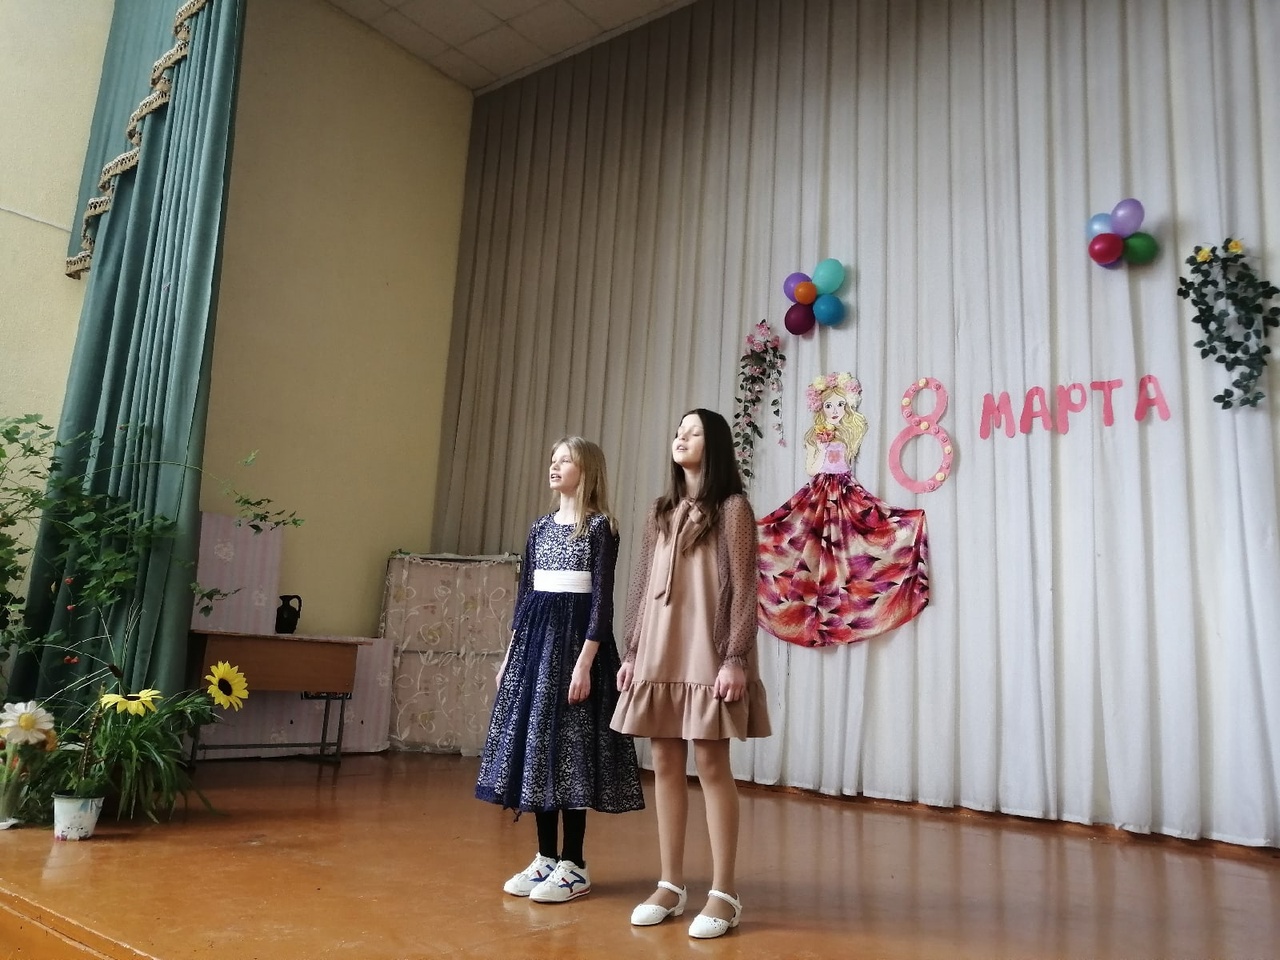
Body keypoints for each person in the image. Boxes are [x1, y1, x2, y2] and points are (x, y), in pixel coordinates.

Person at [611, 408, 771, 939]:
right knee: (663, 759)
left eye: (693, 431)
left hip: (708, 649)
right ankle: (670, 884)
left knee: (711, 761)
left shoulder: (733, 508)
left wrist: (735, 657)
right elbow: (641, 585)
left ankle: (724, 893)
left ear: (715, 444)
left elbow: (745, 587)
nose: (680, 437)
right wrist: (632, 651)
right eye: (678, 431)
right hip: (659, 649)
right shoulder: (660, 510)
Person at [476, 436, 644, 904]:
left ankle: (574, 864)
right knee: (538, 747)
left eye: (565, 460)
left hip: (575, 649)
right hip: (535, 647)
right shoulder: (539, 527)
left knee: (571, 750)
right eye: (552, 460)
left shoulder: (600, 528)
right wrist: (510, 656)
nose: (554, 466)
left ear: (586, 469)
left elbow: (601, 604)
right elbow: (524, 599)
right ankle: (545, 857)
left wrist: (585, 664)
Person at [758, 372, 929, 647]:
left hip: (846, 492)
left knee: (860, 535)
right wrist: (820, 446)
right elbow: (812, 468)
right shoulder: (817, 438)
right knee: (803, 537)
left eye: (839, 404)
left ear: (848, 406)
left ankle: (844, 603)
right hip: (818, 492)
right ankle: (810, 602)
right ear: (820, 409)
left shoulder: (849, 435)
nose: (834, 410)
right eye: (828, 405)